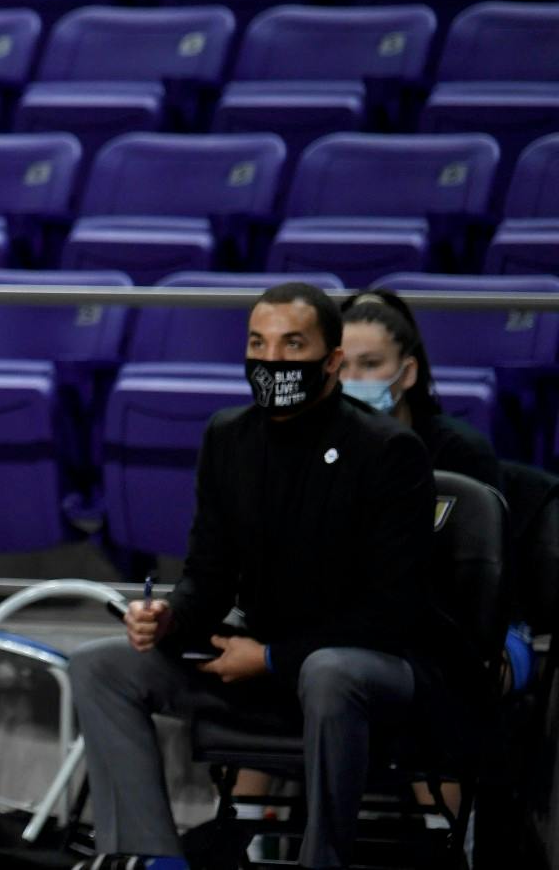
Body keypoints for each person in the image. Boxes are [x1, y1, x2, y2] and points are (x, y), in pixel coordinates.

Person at [70, 281, 475, 869]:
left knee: (329, 670)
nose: (272, 360)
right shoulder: (228, 437)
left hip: (375, 666)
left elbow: (392, 611)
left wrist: (269, 658)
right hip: (262, 659)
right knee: (101, 666)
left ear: (331, 361)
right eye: (258, 343)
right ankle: (151, 859)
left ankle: (322, 861)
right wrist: (168, 617)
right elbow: (208, 575)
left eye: (293, 344)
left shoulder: (389, 450)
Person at [340, 287, 498, 487]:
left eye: (370, 364)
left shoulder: (461, 453)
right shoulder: (317, 446)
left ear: (408, 372)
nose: (351, 378)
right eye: (341, 365)